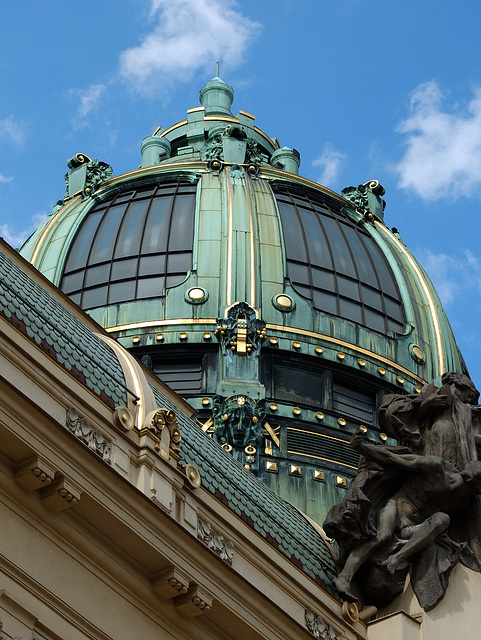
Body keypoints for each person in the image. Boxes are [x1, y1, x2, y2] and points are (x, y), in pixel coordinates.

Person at [333, 429, 481, 603]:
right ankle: (344, 578)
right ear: (470, 478)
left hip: (412, 528)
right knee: (383, 535)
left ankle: (396, 559)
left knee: (442, 519)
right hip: (396, 508)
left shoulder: (463, 501)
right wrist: (361, 447)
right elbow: (394, 459)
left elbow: (439, 527)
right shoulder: (437, 467)